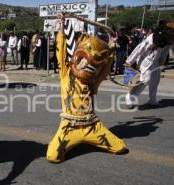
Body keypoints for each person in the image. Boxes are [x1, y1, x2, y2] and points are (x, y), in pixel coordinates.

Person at [46, 13, 127, 163]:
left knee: (120, 148)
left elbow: (105, 70)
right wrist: (61, 27)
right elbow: (61, 52)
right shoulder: (66, 74)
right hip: (68, 126)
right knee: (53, 156)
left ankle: (88, 139)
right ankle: (71, 141)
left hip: (92, 125)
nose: (87, 65)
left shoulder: (93, 82)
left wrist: (111, 49)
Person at [125, 20, 174, 108]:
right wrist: (130, 61)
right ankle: (130, 97)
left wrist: (161, 63)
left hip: (156, 62)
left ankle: (152, 100)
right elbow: (140, 48)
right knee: (145, 79)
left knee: (155, 80)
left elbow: (165, 53)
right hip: (145, 60)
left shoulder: (168, 40)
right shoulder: (154, 37)